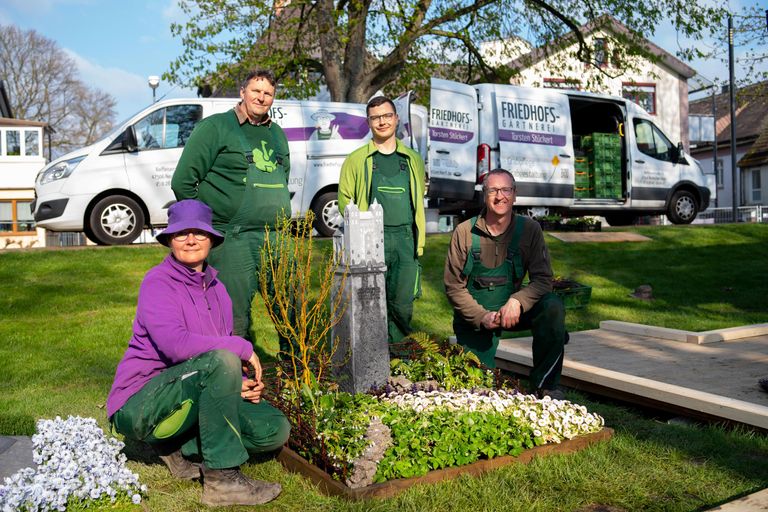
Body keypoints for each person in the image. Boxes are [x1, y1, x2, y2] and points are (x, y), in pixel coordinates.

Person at [106, 199, 290, 507]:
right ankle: (222, 481)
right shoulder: (157, 282)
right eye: (181, 234)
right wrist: (240, 349)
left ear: (212, 239)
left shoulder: (218, 289)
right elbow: (176, 345)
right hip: (140, 404)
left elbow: (216, 354)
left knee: (273, 429)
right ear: (170, 240)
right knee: (223, 359)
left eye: (199, 233)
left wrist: (239, 383)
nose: (191, 240)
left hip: (190, 391)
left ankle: (176, 445)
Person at [171, 69, 291, 352]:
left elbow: (283, 174)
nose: (261, 98)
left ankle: (298, 373)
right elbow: (183, 181)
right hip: (234, 238)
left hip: (277, 237)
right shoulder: (216, 127)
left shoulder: (277, 134)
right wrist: (207, 224)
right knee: (233, 314)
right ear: (242, 92)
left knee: (291, 307)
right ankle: (235, 377)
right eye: (255, 91)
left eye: (268, 94)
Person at [443, 169, 567, 398]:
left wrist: (518, 302)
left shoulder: (530, 229)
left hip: (514, 312)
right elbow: (453, 286)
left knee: (552, 306)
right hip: (476, 318)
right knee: (477, 391)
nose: (500, 196)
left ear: (515, 194)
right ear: (484, 194)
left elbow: (543, 280)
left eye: (506, 190)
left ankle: (545, 384)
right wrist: (481, 317)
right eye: (493, 190)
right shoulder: (464, 232)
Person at [338, 96, 426, 343]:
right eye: (376, 117)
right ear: (369, 122)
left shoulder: (412, 160)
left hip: (406, 241)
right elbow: (345, 200)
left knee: (402, 304)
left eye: (387, 116)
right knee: (369, 304)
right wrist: (361, 235)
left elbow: (417, 199)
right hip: (371, 241)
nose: (382, 122)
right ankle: (371, 359)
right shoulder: (356, 160)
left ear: (396, 119)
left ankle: (398, 358)